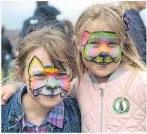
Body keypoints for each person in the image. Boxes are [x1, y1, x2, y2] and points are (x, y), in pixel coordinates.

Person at [1, 4, 147, 133]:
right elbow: (42, 83)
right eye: (94, 44)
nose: (103, 52)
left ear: (123, 43)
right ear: (78, 44)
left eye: (112, 44)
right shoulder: (78, 86)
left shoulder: (141, 81)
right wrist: (15, 87)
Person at [1, 26, 81, 132]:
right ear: (21, 74)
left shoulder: (79, 111)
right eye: (40, 75)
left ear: (71, 73)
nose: (52, 85)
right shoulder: (3, 112)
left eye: (61, 74)